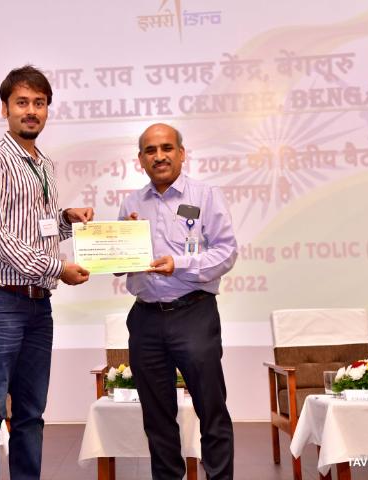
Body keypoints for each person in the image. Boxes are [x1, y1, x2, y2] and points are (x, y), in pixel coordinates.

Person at [0, 65, 93, 480]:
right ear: (5, 109)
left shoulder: (44, 164)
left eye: (39, 103)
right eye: (22, 102)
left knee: (32, 413)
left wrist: (66, 219)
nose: (31, 111)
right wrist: (58, 268)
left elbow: (35, 228)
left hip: (38, 304)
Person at [118, 123, 238, 480]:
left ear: (181, 153)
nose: (159, 156)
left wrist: (180, 264)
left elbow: (226, 252)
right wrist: (117, 251)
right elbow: (120, 262)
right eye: (150, 151)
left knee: (211, 410)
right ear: (140, 159)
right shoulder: (131, 203)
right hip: (145, 319)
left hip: (194, 313)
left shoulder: (205, 196)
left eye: (167, 148)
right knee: (157, 418)